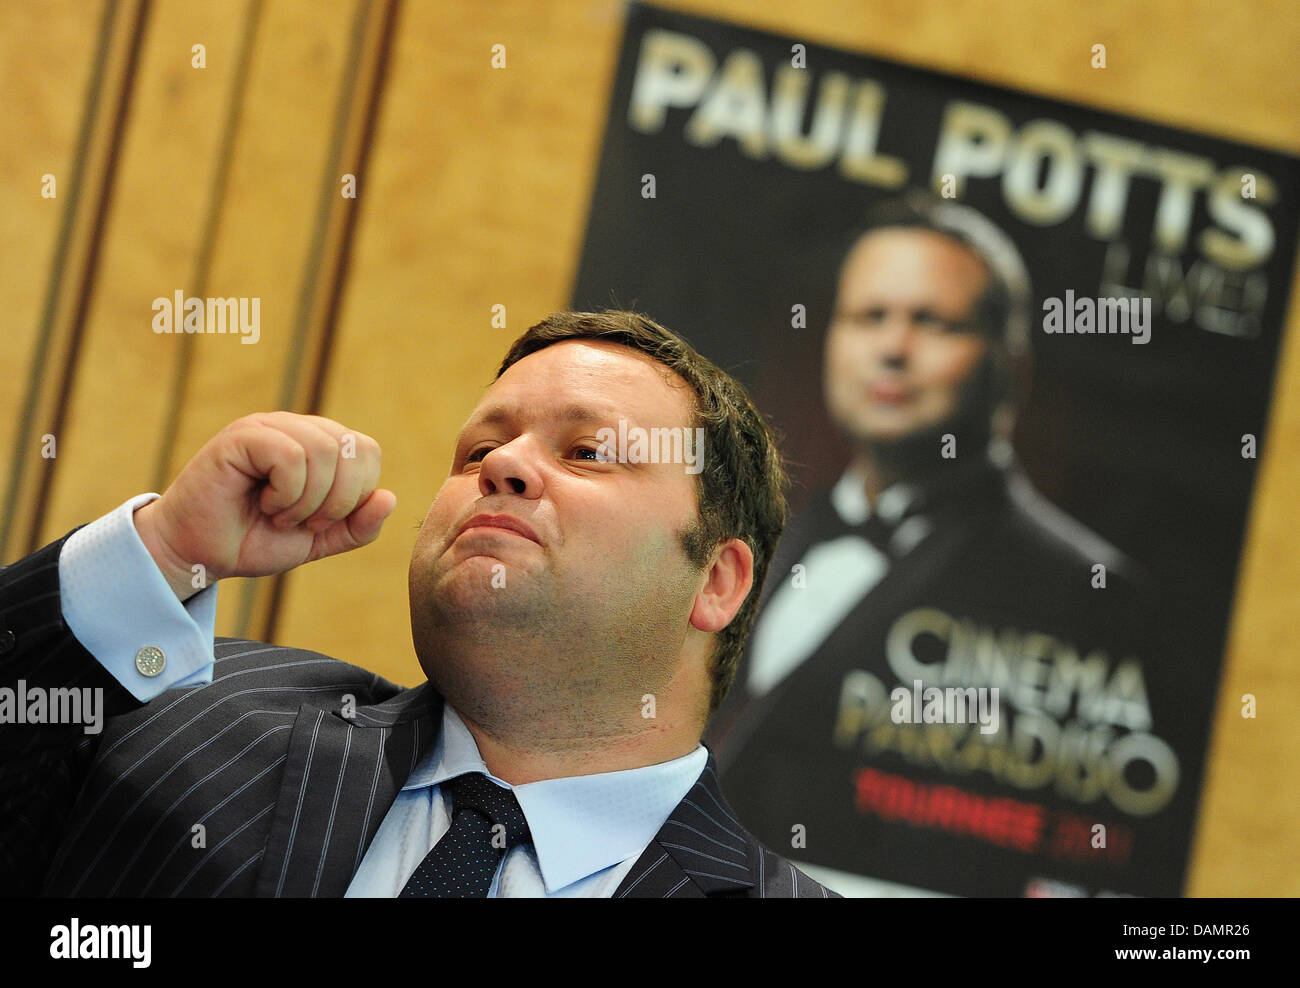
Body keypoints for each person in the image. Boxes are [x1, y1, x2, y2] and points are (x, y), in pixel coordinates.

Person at [0, 310, 835, 898]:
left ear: (717, 581)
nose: (502, 465)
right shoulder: (183, 718)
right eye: (479, 449)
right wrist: (166, 552)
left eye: (588, 451)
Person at [709, 195, 1181, 898]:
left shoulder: (1092, 590)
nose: (893, 348)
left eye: (933, 322)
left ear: (1011, 367)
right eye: (869, 317)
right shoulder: (757, 539)